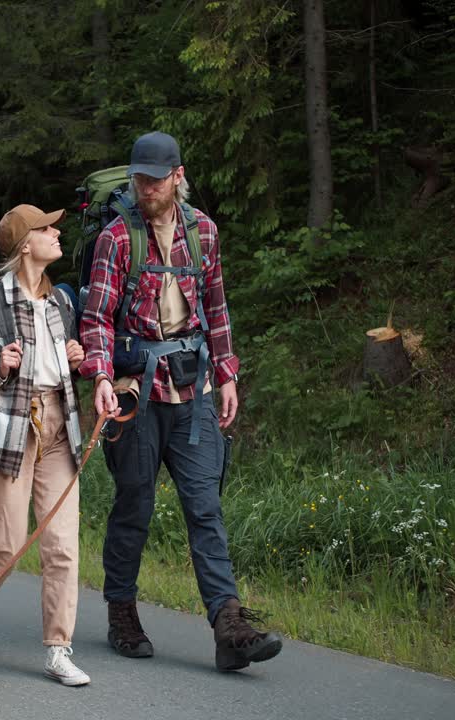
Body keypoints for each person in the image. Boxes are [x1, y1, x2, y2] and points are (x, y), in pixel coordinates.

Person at [78, 131, 283, 671]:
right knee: (135, 504)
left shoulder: (204, 233)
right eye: (139, 179)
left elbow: (216, 307)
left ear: (177, 176)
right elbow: (96, 317)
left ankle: (229, 628)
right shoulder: (117, 238)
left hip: (193, 392)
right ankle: (122, 613)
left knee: (205, 506)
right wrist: (100, 377)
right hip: (136, 391)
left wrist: (228, 374)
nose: (146, 187)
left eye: (155, 179)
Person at [0, 203, 91, 686]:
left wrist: (75, 358)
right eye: (47, 229)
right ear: (26, 244)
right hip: (10, 432)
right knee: (3, 543)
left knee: (62, 545)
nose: (57, 234)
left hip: (58, 429)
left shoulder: (60, 302)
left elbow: (63, 368)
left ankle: (58, 649)